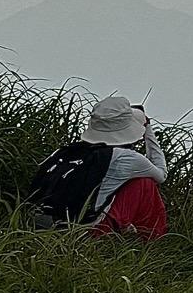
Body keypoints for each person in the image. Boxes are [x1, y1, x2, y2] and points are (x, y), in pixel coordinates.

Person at [26, 95, 170, 238]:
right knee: (145, 183)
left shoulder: (69, 151)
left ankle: (126, 230)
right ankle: (151, 239)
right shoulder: (126, 158)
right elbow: (161, 174)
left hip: (43, 221)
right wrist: (148, 129)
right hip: (87, 232)